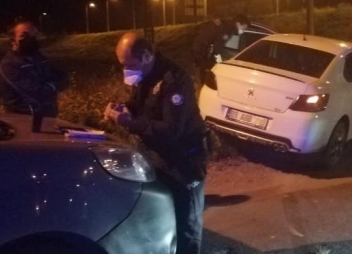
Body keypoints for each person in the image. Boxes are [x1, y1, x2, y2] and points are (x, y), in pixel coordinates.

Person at [104, 33, 208, 254]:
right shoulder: (145, 74)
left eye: (129, 65)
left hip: (183, 162)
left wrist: (129, 122)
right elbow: (140, 106)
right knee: (161, 219)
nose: (126, 70)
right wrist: (124, 109)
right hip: (157, 158)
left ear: (146, 55)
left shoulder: (174, 80)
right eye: (123, 65)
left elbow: (171, 130)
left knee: (186, 225)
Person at [0, 21, 68, 118]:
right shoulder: (9, 65)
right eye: (25, 36)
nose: (31, 39)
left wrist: (49, 86)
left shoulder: (40, 58)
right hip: (22, 120)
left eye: (34, 35)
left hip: (48, 117)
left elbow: (63, 78)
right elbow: (35, 93)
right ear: (13, 40)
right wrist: (53, 85)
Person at [191, 14, 249, 82]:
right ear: (238, 24)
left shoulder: (227, 25)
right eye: (243, 28)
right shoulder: (228, 28)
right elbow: (218, 48)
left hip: (202, 49)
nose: (243, 31)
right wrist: (220, 62)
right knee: (205, 75)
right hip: (201, 50)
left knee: (206, 73)